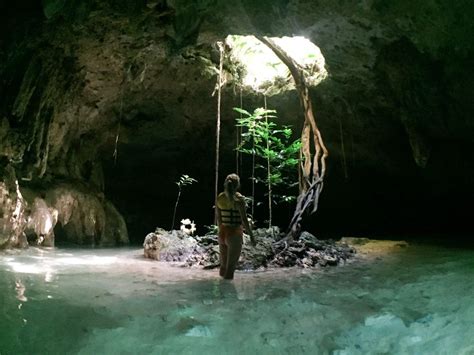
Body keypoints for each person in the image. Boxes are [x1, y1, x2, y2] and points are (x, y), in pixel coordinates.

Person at [216, 173, 254, 280]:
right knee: (230, 269)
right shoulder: (239, 199)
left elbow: (219, 218)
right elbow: (244, 220)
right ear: (237, 185)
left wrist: (220, 231)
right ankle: (229, 295)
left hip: (222, 233)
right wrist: (251, 236)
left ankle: (220, 293)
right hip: (234, 235)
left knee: (223, 267)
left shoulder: (220, 197)